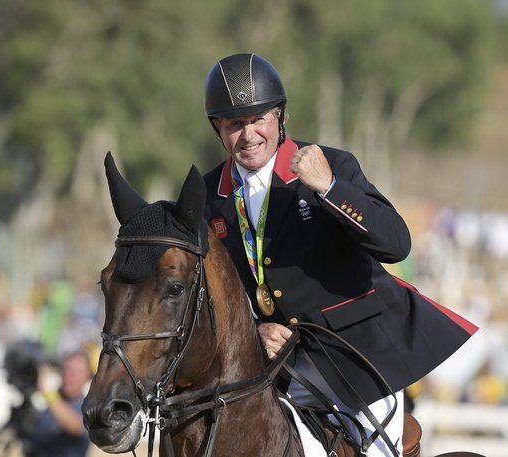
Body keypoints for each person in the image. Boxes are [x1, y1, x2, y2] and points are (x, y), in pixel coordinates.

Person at [201, 53, 478, 456]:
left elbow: (396, 243)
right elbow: (212, 291)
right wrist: (253, 331)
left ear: (280, 117)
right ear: (218, 129)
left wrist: (330, 187)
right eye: (234, 124)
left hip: (357, 353)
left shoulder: (332, 164)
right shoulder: (211, 195)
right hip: (278, 363)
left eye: (258, 119)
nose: (248, 135)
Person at [22, 350, 92, 457]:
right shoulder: (48, 406)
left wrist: (47, 393)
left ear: (87, 377)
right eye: (67, 369)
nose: (70, 376)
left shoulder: (88, 408)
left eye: (77, 372)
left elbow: (76, 427)